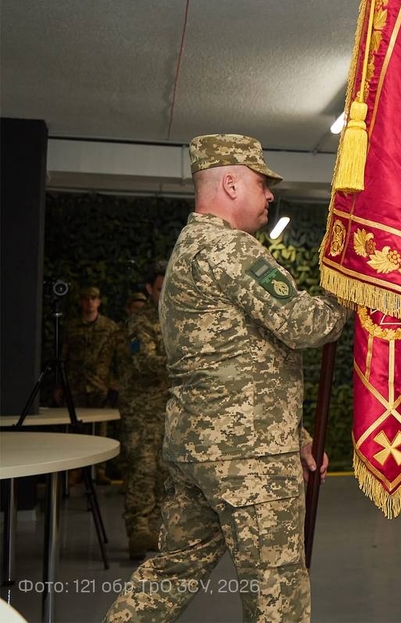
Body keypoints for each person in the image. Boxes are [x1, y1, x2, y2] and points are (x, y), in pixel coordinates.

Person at [104, 134, 350, 623]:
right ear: (232, 183)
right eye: (263, 183)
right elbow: (304, 325)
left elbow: (239, 359)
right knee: (275, 594)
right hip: (248, 459)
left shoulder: (188, 248)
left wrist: (295, 435)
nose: (270, 195)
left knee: (170, 574)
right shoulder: (229, 250)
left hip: (199, 449)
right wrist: (350, 293)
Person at [119, 261, 169, 561]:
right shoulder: (140, 322)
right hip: (141, 411)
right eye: (161, 288)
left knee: (166, 473)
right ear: (150, 290)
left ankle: (154, 530)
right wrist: (184, 362)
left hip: (170, 410)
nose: (166, 294)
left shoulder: (181, 318)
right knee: (142, 470)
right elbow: (144, 363)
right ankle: (138, 531)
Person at [62, 285, 120, 409]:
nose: (90, 302)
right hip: (75, 386)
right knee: (75, 425)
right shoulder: (71, 327)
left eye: (93, 298)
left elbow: (118, 356)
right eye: (85, 299)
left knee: (100, 426)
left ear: (98, 302)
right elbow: (62, 357)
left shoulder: (110, 327)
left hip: (101, 386)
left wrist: (115, 384)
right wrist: (59, 385)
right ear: (81, 302)